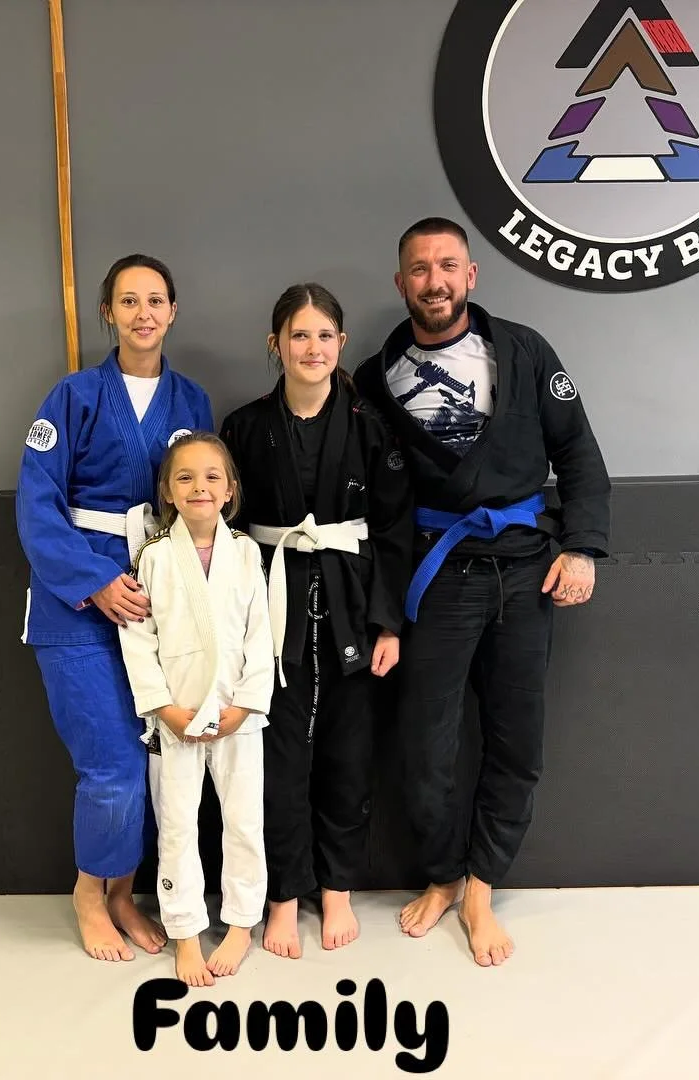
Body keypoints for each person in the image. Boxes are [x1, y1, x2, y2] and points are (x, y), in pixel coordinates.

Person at [352, 217, 611, 967]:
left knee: (516, 742)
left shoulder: (526, 353)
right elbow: (376, 506)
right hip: (438, 575)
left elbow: (579, 452)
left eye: (447, 266)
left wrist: (584, 546)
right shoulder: (374, 380)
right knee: (424, 746)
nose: (434, 281)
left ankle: (480, 886)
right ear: (400, 284)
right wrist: (381, 606)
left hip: (528, 569)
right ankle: (440, 874)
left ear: (470, 276)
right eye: (419, 269)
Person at [15, 254, 213, 963]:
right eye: (127, 300)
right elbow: (37, 506)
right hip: (79, 605)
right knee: (114, 770)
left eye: (155, 299)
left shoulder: (191, 402)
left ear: (173, 309)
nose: (142, 313)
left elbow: (202, 498)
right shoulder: (71, 397)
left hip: (159, 601)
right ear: (108, 312)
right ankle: (88, 891)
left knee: (158, 759)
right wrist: (94, 581)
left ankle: (126, 892)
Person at [219, 284, 413, 958]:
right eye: (298, 336)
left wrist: (389, 624)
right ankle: (281, 896)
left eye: (324, 336)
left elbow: (393, 529)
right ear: (275, 345)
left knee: (348, 754)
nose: (312, 348)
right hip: (270, 605)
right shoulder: (244, 428)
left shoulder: (369, 425)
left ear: (342, 344)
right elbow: (227, 530)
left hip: (352, 602)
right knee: (277, 758)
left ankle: (335, 888)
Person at [118, 433, 274, 987]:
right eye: (185, 477)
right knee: (178, 826)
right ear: (168, 491)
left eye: (212, 477)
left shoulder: (248, 552)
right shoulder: (154, 557)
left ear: (230, 491)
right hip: (176, 717)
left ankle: (239, 924)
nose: (199, 486)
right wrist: (164, 708)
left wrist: (247, 704)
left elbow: (262, 635)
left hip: (238, 715)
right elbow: (138, 639)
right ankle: (184, 929)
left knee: (244, 822)